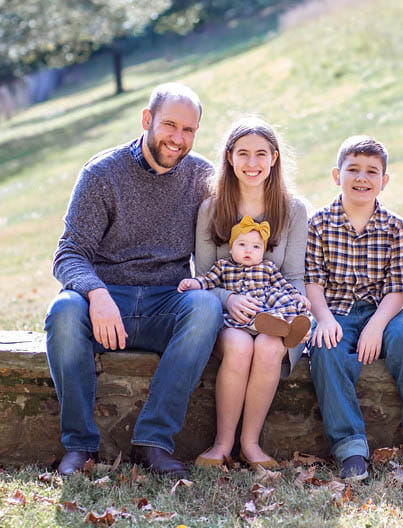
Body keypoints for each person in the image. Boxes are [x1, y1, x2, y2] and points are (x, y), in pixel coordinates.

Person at [44, 83, 224, 477]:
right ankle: (79, 446)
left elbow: (234, 236)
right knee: (63, 311)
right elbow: (69, 253)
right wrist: (96, 293)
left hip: (166, 302)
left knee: (206, 307)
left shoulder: (202, 177)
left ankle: (154, 441)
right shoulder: (102, 173)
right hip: (107, 304)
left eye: (189, 130)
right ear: (147, 119)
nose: (178, 139)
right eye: (170, 125)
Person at [306, 135, 403, 481]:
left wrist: (376, 325)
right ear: (337, 176)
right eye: (353, 169)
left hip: (384, 310)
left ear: (384, 181)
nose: (362, 178)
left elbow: (398, 288)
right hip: (334, 310)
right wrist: (323, 319)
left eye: (372, 171)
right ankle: (350, 447)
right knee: (325, 349)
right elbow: (312, 282)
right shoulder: (318, 224)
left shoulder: (394, 227)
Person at [192, 117, 310, 469]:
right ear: (229, 157)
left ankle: (250, 443)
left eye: (261, 154)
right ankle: (222, 444)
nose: (252, 163)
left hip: (276, 312)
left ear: (274, 158)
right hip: (228, 316)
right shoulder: (212, 209)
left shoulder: (293, 210)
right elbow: (204, 278)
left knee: (270, 346)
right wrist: (228, 299)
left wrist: (297, 306)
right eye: (243, 153)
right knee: (241, 346)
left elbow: (294, 276)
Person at [178, 217, 311, 348]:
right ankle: (272, 326)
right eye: (242, 244)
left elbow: (282, 284)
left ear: (263, 252)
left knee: (282, 298)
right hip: (245, 306)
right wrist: (193, 283)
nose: (248, 250)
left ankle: (292, 325)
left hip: (267, 303)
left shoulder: (268, 266)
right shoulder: (223, 265)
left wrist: (295, 294)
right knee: (252, 313)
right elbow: (208, 280)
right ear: (231, 248)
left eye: (256, 247)